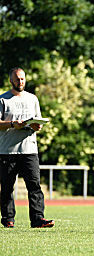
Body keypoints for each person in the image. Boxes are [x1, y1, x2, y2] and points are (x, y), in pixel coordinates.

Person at [0, 67, 54, 228]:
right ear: (11, 80)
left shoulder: (33, 99)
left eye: (22, 79)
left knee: (34, 186)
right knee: (7, 187)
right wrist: (12, 124)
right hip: (7, 151)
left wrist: (37, 126)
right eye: (17, 79)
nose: (20, 82)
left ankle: (38, 219)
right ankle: (8, 219)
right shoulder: (3, 99)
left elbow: (38, 121)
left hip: (29, 150)